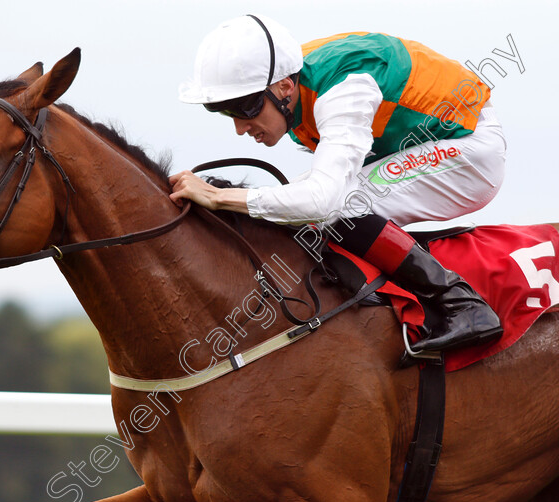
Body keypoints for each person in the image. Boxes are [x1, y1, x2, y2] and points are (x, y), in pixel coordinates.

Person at [170, 14, 505, 355]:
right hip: (422, 142)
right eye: (225, 112)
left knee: (340, 206)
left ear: (284, 87)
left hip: (468, 149)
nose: (241, 128)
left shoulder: (344, 91)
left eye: (244, 107)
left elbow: (323, 201)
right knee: (307, 206)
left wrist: (220, 196)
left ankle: (462, 304)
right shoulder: (296, 86)